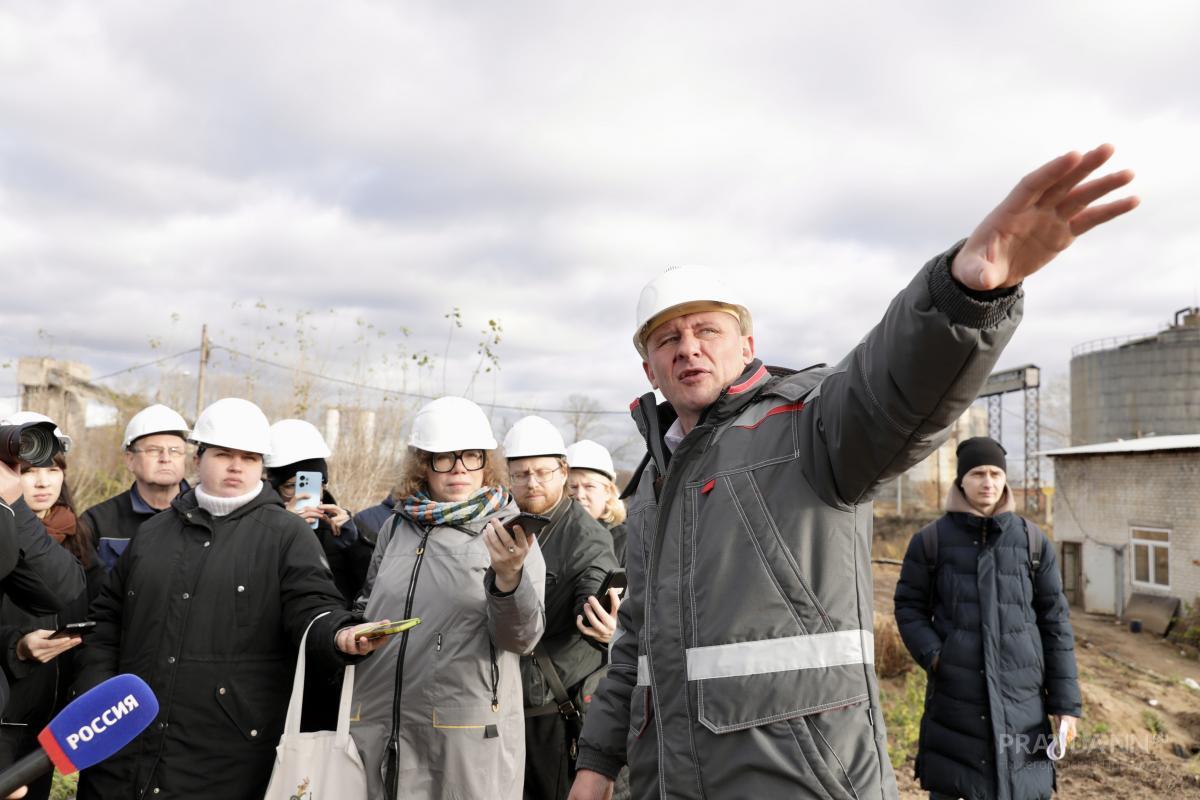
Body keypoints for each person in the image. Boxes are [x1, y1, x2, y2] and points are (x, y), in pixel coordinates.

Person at [570, 145, 1137, 800]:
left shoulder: (805, 428)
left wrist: (963, 296)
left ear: (748, 346)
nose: (688, 348)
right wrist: (598, 762)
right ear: (649, 369)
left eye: (707, 330)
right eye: (667, 340)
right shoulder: (653, 488)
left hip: (803, 783)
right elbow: (637, 640)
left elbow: (886, 389)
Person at [74, 397, 377, 800]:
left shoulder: (287, 536)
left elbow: (313, 605)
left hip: (227, 755)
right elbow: (108, 620)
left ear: (262, 468)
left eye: (249, 458)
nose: (236, 466)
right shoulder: (152, 534)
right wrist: (100, 697)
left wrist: (337, 634)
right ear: (199, 458)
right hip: (127, 746)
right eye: (223, 454)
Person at [346, 396, 545, 800]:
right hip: (378, 724)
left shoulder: (509, 531)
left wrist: (509, 578)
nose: (458, 468)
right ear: (423, 464)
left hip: (463, 736)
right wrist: (356, 630)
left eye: (471, 456)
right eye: (444, 457)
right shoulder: (395, 527)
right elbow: (368, 603)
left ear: (485, 463)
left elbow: (522, 638)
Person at [893, 437, 1080, 800]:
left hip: (1024, 704)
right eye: (978, 473)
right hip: (956, 701)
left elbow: (1055, 623)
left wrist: (1065, 705)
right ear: (961, 480)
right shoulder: (930, 541)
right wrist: (937, 656)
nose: (988, 482)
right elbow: (908, 607)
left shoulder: (1033, 542)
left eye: (995, 473)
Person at [504, 416, 619, 800]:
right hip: (497, 703)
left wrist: (598, 617)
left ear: (562, 472)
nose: (531, 482)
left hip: (547, 709)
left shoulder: (586, 536)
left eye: (541, 472)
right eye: (521, 474)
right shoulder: (500, 521)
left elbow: (592, 586)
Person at [0, 443, 98, 800]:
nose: (42, 482)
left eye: (53, 470)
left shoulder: (81, 534)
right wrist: (17, 645)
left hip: (51, 720)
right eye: (27, 471)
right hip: (6, 717)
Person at [265, 418, 373, 607]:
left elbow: (371, 585)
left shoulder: (341, 526)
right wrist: (283, 529)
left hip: (330, 628)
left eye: (316, 484)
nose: (304, 494)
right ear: (274, 487)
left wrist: (354, 544)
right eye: (292, 486)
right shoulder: (260, 525)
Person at [80, 404, 191, 570]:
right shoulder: (97, 522)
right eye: (154, 450)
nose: (165, 458)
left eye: (175, 451)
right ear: (130, 460)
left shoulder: (206, 515)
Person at [566, 440, 628, 566]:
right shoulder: (550, 536)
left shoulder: (628, 541)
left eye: (589, 486)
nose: (579, 495)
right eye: (572, 486)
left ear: (607, 491)